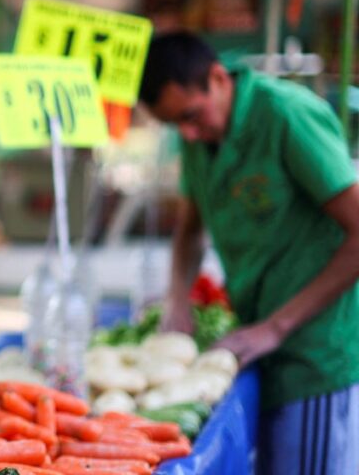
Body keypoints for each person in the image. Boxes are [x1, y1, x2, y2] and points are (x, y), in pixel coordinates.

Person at [139, 32, 359, 473]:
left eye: (190, 116)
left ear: (218, 79)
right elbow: (189, 231)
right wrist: (177, 300)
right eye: (174, 125)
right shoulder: (197, 133)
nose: (186, 132)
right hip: (257, 340)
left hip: (312, 354)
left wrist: (276, 328)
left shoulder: (286, 115)